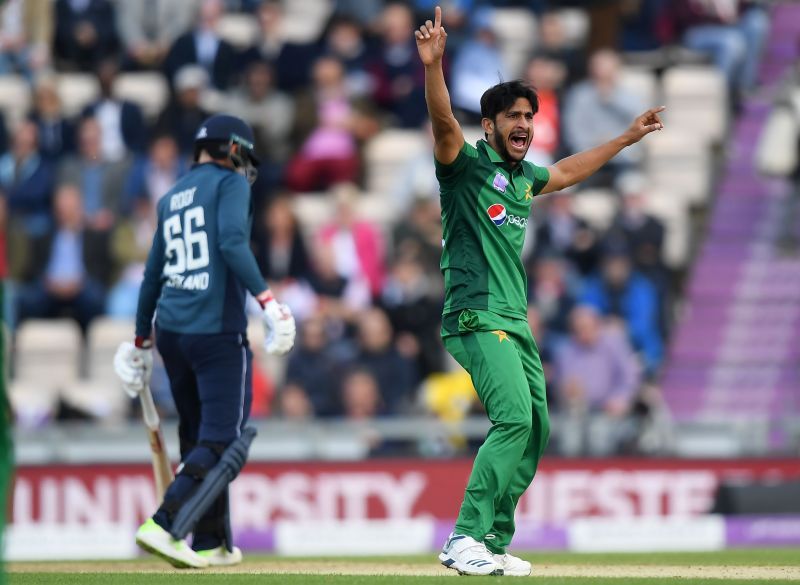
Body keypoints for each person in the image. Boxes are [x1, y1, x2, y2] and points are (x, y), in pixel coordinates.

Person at [414, 6, 664, 576]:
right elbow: (443, 124)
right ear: (490, 126)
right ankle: (464, 538)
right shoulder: (466, 165)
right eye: (512, 116)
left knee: (537, 427)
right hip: (476, 314)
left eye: (529, 114)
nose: (524, 123)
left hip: (514, 319)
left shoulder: (525, 178)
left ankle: (494, 541)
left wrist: (626, 138)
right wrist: (435, 67)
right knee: (514, 421)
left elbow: (571, 171)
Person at [112, 114, 296, 568]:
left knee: (195, 437)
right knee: (220, 441)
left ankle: (211, 540)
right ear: (232, 148)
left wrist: (140, 339)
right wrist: (268, 301)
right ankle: (165, 523)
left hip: (172, 332)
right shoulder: (231, 186)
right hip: (215, 332)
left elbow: (152, 274)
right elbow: (233, 244)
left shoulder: (171, 195)